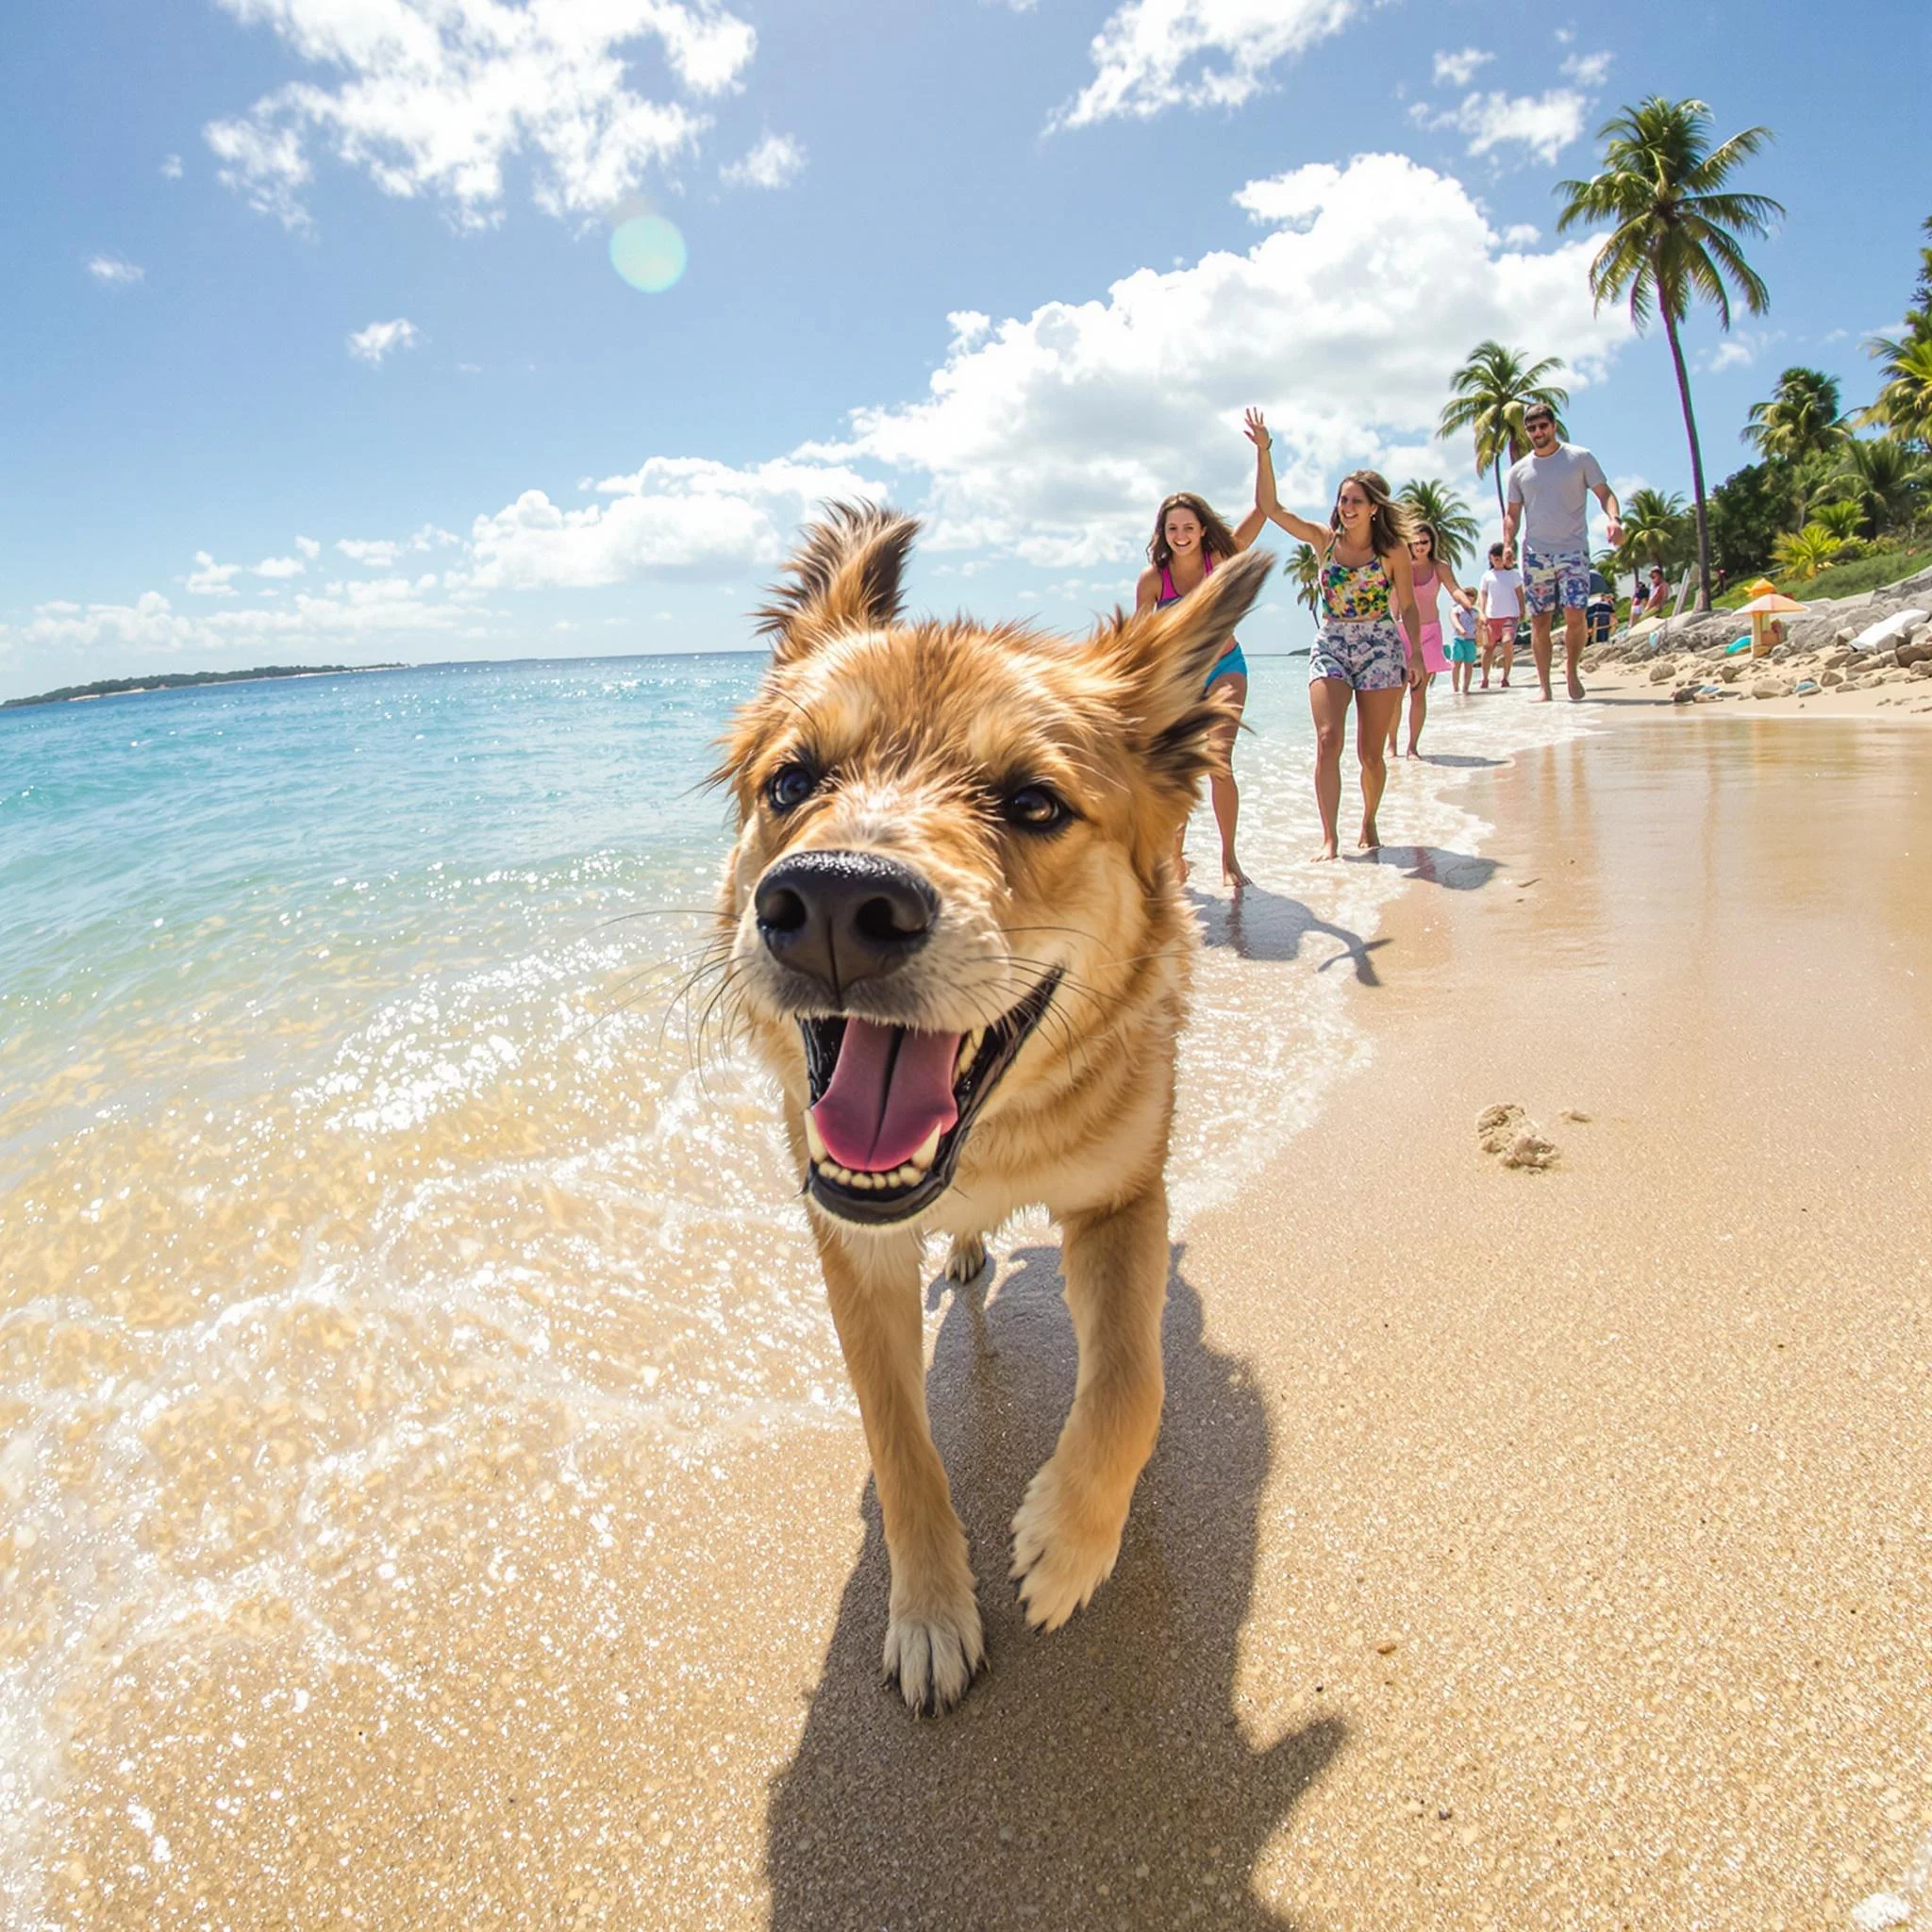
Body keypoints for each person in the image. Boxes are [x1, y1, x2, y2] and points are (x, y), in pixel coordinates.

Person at [1246, 411, 1425, 860]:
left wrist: (1416, 655)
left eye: (1356, 501)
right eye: (1343, 499)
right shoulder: (1323, 541)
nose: (1346, 507)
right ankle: (1330, 838)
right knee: (1328, 740)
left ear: (1374, 508)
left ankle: (1369, 819)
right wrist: (1265, 451)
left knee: (1370, 755)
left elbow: (1407, 606)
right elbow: (1271, 508)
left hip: (1380, 647)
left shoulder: (1392, 551)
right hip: (1331, 644)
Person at [1134, 481, 1267, 889]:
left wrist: (1263, 453)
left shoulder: (1221, 562)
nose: (1181, 536)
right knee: (1177, 771)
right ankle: (1174, 858)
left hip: (1226, 665)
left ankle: (1229, 858)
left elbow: (1263, 510)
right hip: (1180, 681)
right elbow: (1139, 644)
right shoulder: (1153, 580)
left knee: (1219, 761)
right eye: (1173, 529)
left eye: (1188, 527)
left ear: (1203, 529)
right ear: (1163, 533)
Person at [1501, 405, 1624, 702]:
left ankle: (1571, 670)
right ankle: (1545, 687)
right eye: (1532, 428)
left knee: (1575, 615)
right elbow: (1512, 514)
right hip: (1536, 555)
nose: (1538, 433)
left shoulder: (1580, 458)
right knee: (1540, 621)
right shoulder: (1519, 471)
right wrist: (1507, 542)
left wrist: (1614, 520)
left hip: (1573, 551)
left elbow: (1605, 493)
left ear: (1554, 426)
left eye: (1543, 426)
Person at [1386, 523, 1475, 758]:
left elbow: (1454, 589)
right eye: (1415, 542)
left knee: (1418, 693)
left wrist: (1467, 603)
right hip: (1402, 633)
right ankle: (1392, 744)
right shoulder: (1401, 566)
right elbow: (1392, 601)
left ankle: (1412, 747)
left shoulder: (1439, 567)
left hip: (1429, 634)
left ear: (1432, 542)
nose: (1419, 547)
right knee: (1396, 694)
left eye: (1424, 542)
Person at [1475, 542, 1522, 690]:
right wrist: (1482, 612)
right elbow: (1483, 595)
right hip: (1491, 616)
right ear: (1490, 558)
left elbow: (1520, 593)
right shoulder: (1487, 576)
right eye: (1494, 557)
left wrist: (1522, 610)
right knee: (1488, 647)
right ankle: (1484, 678)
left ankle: (1505, 676)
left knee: (1507, 642)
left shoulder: (1514, 574)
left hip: (1510, 615)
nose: (1497, 559)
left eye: (1500, 556)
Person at [1448, 596, 1480, 694]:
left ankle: (1465, 688)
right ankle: (1455, 688)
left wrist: (1479, 635)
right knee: (1456, 663)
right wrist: (1460, 629)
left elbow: (1478, 624)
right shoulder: (1456, 609)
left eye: (1472, 597)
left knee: (1469, 664)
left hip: (1470, 640)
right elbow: (1454, 620)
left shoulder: (1475, 612)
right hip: (1458, 639)